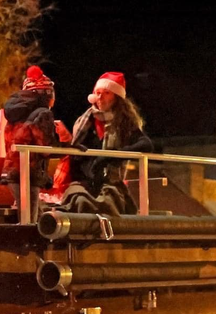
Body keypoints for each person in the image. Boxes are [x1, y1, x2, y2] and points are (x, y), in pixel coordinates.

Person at [62, 72, 153, 212]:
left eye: (106, 93)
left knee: (108, 204)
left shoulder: (123, 122)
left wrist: (111, 156)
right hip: (83, 182)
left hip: (110, 181)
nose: (100, 97)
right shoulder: (84, 121)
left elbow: (146, 144)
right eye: (98, 92)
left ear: (116, 97)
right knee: (79, 202)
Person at [0, 66, 71, 214]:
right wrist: (68, 146)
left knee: (26, 217)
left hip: (12, 172)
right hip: (28, 174)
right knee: (29, 222)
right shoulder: (43, 114)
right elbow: (45, 147)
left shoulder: (14, 114)